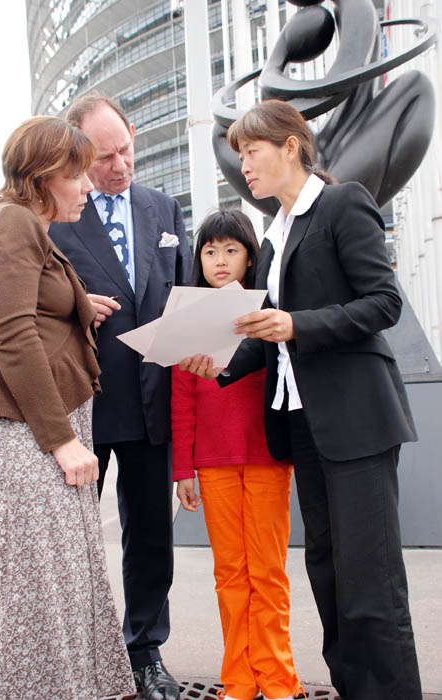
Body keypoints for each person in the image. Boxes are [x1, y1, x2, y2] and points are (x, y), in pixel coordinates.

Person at [181, 99, 421, 700]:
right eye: (240, 156)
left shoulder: (342, 203)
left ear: (291, 146)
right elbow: (268, 338)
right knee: (330, 575)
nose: (244, 167)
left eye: (251, 152)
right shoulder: (276, 233)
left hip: (355, 421)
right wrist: (221, 365)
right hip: (303, 426)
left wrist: (297, 324)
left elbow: (383, 302)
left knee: (370, 581)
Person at [0, 116, 135, 700]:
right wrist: (63, 440)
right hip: (24, 434)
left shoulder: (25, 224)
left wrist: (78, 305)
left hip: (30, 429)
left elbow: (25, 308)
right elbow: (11, 335)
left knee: (49, 587)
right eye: (77, 175)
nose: (89, 186)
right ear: (43, 177)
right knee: (37, 592)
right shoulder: (13, 222)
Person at [49, 92, 191, 700]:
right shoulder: (55, 214)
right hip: (82, 405)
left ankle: (145, 653)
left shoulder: (164, 208)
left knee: (152, 536)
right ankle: (78, 659)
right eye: (104, 157)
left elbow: (183, 292)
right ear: (78, 153)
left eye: (125, 150)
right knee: (73, 540)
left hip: (155, 401)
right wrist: (75, 306)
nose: (120, 166)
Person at [172, 209, 303, 700]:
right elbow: (181, 400)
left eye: (231, 249)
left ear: (250, 257)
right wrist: (183, 470)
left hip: (267, 456)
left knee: (268, 570)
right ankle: (240, 680)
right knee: (229, 573)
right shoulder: (188, 318)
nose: (220, 260)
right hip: (212, 462)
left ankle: (278, 677)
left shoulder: (267, 311)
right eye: (210, 251)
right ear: (199, 259)